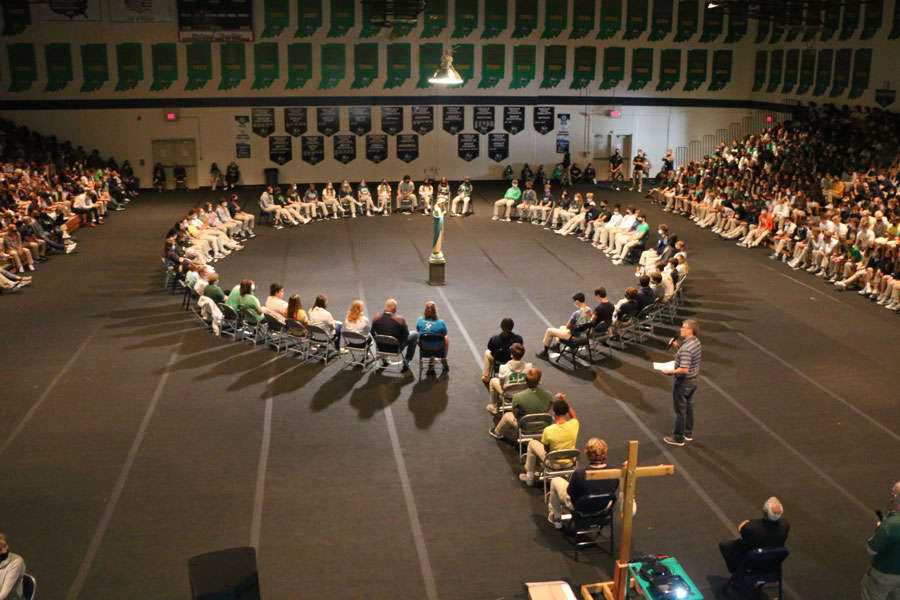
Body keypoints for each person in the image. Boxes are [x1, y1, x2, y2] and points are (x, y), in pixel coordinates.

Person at [546, 438, 620, 529]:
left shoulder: (580, 473)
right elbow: (614, 489)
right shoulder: (614, 471)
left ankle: (556, 518)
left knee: (555, 481)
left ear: (587, 454)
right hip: (602, 508)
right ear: (605, 453)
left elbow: (570, 493)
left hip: (581, 509)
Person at [718, 497, 790, 573]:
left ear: (764, 511)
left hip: (751, 564)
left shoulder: (751, 527)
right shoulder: (785, 525)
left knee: (724, 544)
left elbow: (743, 533)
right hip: (772, 565)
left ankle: (737, 573)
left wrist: (743, 526)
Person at [520, 396, 579, 486]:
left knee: (532, 443)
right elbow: (574, 416)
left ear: (553, 413)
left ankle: (529, 478)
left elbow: (547, 450)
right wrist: (565, 402)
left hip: (552, 463)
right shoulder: (574, 425)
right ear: (566, 412)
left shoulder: (548, 430)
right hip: (570, 463)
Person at [662, 319, 702, 446]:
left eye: (683, 327)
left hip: (683, 383)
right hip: (693, 380)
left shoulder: (686, 349)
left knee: (680, 411)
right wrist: (678, 347)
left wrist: (669, 372)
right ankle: (688, 433)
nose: (681, 329)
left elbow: (684, 369)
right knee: (689, 407)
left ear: (690, 330)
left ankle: (678, 438)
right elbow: (688, 357)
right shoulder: (696, 342)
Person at [861, 481, 900, 600]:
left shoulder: (890, 525)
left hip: (885, 572)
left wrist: (879, 528)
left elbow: (872, 550)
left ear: (895, 497)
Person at [489, 367, 553, 440]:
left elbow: (515, 414)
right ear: (539, 381)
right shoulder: (549, 395)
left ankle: (497, 432)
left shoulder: (518, 397)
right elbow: (547, 410)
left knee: (507, 416)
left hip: (525, 427)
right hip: (543, 426)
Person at [536, 292, 592, 358]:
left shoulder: (576, 313)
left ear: (577, 301)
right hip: (584, 334)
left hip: (574, 337)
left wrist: (574, 326)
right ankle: (557, 346)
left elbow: (568, 326)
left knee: (549, 331)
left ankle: (545, 353)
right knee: (561, 327)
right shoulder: (589, 310)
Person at [486, 342, 531, 415]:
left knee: (493, 381)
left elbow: (501, 385)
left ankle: (494, 407)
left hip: (508, 395)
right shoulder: (529, 367)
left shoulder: (503, 368)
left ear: (511, 355)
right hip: (523, 394)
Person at [371, 299, 414, 371]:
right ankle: (407, 360)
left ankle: (384, 357)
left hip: (381, 347)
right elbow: (406, 334)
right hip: (396, 348)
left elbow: (372, 332)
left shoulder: (376, 318)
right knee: (414, 335)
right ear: (394, 309)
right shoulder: (400, 319)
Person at [407, 301, 449, 369]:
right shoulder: (441, 322)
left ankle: (432, 358)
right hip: (437, 347)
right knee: (446, 338)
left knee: (420, 336)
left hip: (424, 347)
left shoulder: (420, 320)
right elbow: (445, 334)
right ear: (435, 311)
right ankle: (444, 358)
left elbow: (418, 331)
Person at [482, 317, 524, 383]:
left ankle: (486, 376)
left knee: (487, 353)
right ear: (512, 327)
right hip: (512, 359)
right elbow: (520, 349)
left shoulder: (494, 339)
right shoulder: (518, 339)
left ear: (501, 326)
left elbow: (490, 348)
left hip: (498, 360)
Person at [0, 532, 26, 600]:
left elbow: (3, 594)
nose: (5, 551)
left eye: (5, 546)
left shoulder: (16, 561)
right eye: (0, 549)